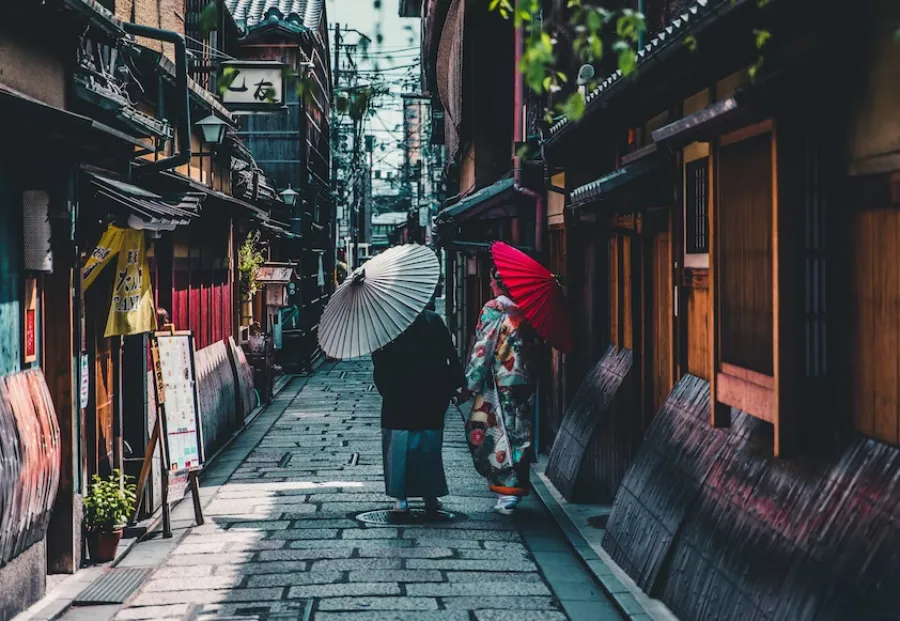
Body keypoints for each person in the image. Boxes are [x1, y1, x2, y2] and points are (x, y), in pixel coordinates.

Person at [372, 300, 465, 513]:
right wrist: (453, 385)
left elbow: (379, 363)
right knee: (429, 446)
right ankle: (430, 496)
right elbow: (450, 355)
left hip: (398, 395)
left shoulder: (388, 324)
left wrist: (386, 389)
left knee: (398, 447)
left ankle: (400, 498)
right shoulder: (433, 320)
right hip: (430, 393)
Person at [461, 267, 539, 515]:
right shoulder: (524, 309)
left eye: (493, 280)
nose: (491, 284)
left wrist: (470, 382)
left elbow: (483, 347)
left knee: (494, 431)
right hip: (523, 380)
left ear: (498, 284)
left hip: (498, 381)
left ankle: (505, 490)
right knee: (519, 433)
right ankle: (514, 488)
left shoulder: (494, 309)